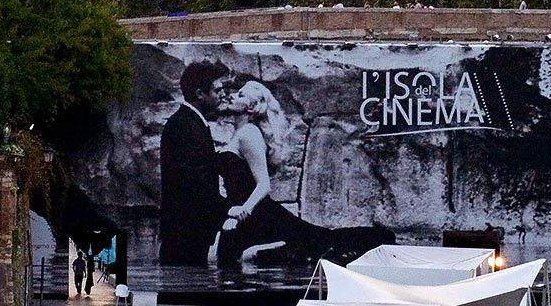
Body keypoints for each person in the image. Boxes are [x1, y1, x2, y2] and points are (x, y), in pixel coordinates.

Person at [214, 80, 394, 265]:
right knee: (318, 238)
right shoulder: (240, 133)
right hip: (245, 213)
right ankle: (271, 251)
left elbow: (264, 185)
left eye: (241, 94)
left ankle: (269, 251)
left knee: (322, 240)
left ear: (251, 108)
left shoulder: (249, 134)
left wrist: (241, 213)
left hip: (255, 214)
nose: (232, 95)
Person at [159, 61, 231, 265]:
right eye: (217, 90)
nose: (223, 95)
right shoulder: (185, 126)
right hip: (184, 231)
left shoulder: (191, 123)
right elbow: (194, 179)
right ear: (200, 94)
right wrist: (226, 209)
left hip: (189, 229)